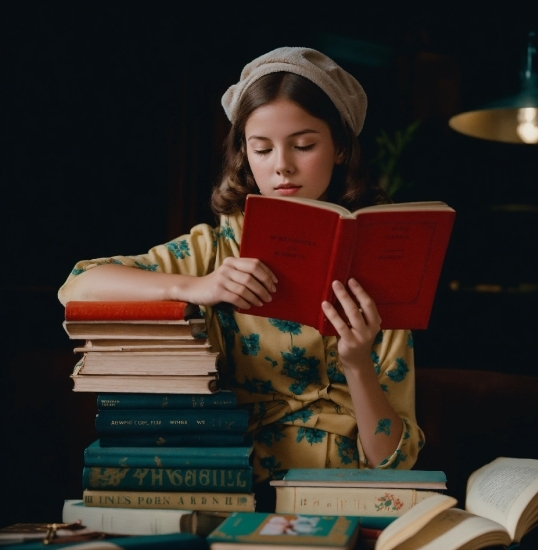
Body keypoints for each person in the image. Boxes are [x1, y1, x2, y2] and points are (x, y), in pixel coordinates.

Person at [58, 47, 425, 509]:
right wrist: (196, 286)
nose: (282, 166)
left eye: (305, 145)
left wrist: (356, 365)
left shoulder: (379, 268)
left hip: (337, 493)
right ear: (244, 153)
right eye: (262, 147)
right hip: (225, 481)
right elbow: (79, 284)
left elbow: (394, 460)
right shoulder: (214, 249)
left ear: (341, 149)